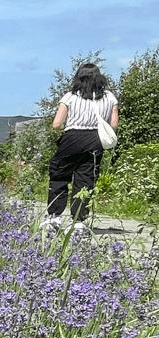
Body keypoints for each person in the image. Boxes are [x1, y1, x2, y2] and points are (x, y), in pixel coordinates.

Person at [41, 63, 119, 233]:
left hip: (72, 138)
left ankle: (54, 217)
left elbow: (56, 124)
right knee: (85, 180)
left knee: (60, 176)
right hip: (95, 140)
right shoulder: (110, 97)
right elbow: (114, 124)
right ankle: (79, 221)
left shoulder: (70, 96)